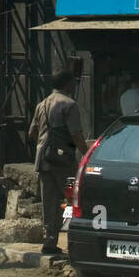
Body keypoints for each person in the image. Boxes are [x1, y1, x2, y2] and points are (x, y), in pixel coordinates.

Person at [29, 68, 87, 256]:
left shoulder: (42, 104)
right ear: (67, 84)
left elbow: (32, 133)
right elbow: (76, 135)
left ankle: (49, 242)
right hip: (63, 162)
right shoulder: (69, 105)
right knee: (74, 199)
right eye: (72, 82)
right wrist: (87, 154)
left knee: (49, 204)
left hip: (43, 160)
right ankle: (76, 241)